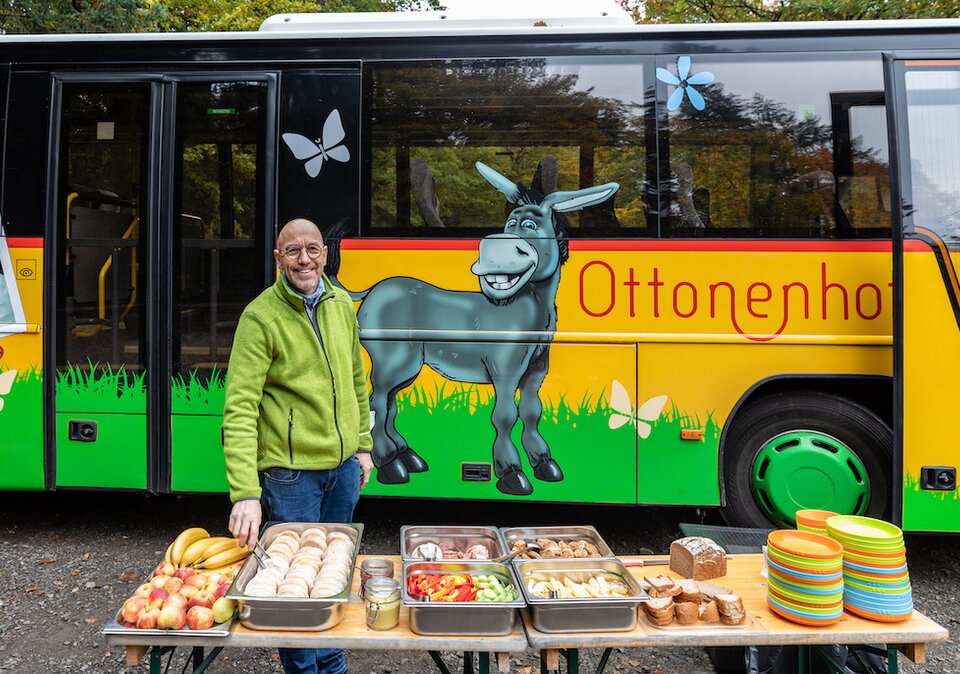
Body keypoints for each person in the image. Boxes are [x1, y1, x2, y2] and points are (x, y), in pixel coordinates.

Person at [223, 217, 373, 674]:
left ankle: (332, 665)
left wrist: (363, 445)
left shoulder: (340, 303)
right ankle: (308, 672)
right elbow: (240, 408)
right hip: (290, 475)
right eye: (293, 251)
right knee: (293, 587)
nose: (304, 259)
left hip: (344, 468)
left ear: (326, 254)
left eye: (312, 249)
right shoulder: (260, 316)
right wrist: (246, 493)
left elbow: (355, 378)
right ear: (278, 258)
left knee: (331, 576)